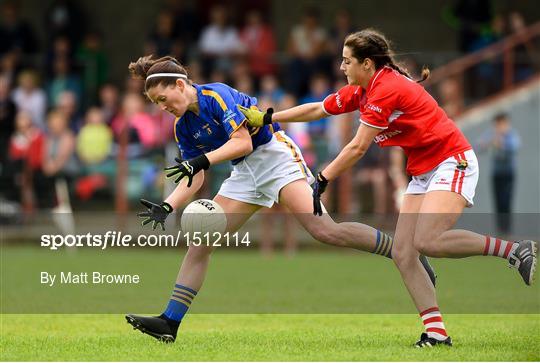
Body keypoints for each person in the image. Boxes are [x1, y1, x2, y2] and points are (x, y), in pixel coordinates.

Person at [239, 28, 537, 348]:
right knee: (403, 252)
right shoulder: (363, 89)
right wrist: (268, 118)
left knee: (427, 240)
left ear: (367, 64)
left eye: (346, 61)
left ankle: (513, 250)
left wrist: (322, 179)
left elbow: (357, 147)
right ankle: (436, 332)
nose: (341, 68)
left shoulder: (385, 89)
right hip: (424, 171)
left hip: (453, 161)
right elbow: (318, 109)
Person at [124, 54, 436, 343]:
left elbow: (243, 143)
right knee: (201, 243)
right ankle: (170, 322)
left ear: (180, 84)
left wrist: (203, 161)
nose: (161, 107)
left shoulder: (216, 95)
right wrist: (169, 205)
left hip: (274, 157)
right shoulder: (183, 127)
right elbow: (196, 175)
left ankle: (402, 251)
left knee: (325, 231)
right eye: (155, 103)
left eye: (163, 99)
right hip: (245, 172)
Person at [477, 113, 521, 233]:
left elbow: (515, 147)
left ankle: (507, 230)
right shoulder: (491, 135)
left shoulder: (511, 135)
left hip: (508, 174)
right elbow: (479, 146)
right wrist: (488, 143)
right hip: (496, 175)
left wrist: (501, 143)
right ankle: (500, 230)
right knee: (498, 203)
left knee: (506, 202)